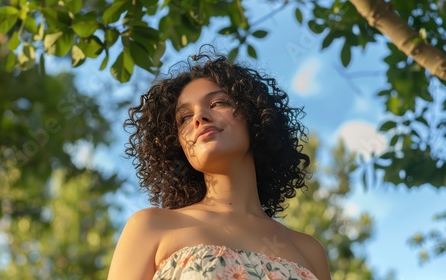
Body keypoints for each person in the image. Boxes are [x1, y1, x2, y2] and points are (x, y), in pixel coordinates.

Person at [108, 46, 331, 280]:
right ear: (177, 146)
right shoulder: (151, 227)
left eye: (216, 103)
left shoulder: (309, 251)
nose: (199, 118)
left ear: (254, 115)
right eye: (184, 118)